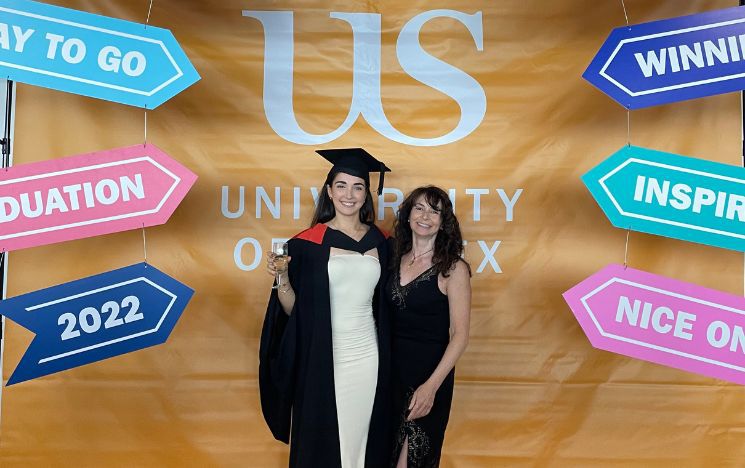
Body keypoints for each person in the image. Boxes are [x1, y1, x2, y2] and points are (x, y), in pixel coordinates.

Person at [259, 148, 393, 468]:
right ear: (330, 192)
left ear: (367, 194)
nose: (350, 194)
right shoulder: (306, 244)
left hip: (369, 356)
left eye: (358, 186)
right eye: (342, 186)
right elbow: (294, 311)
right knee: (324, 441)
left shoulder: (384, 242)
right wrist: (281, 277)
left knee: (366, 437)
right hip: (323, 355)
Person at [386, 186, 471, 468]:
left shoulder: (453, 269)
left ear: (443, 221)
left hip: (427, 378)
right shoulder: (392, 260)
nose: (426, 216)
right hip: (388, 377)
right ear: (408, 215)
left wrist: (431, 387)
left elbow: (459, 336)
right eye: (419, 208)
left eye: (435, 211)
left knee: (410, 461)